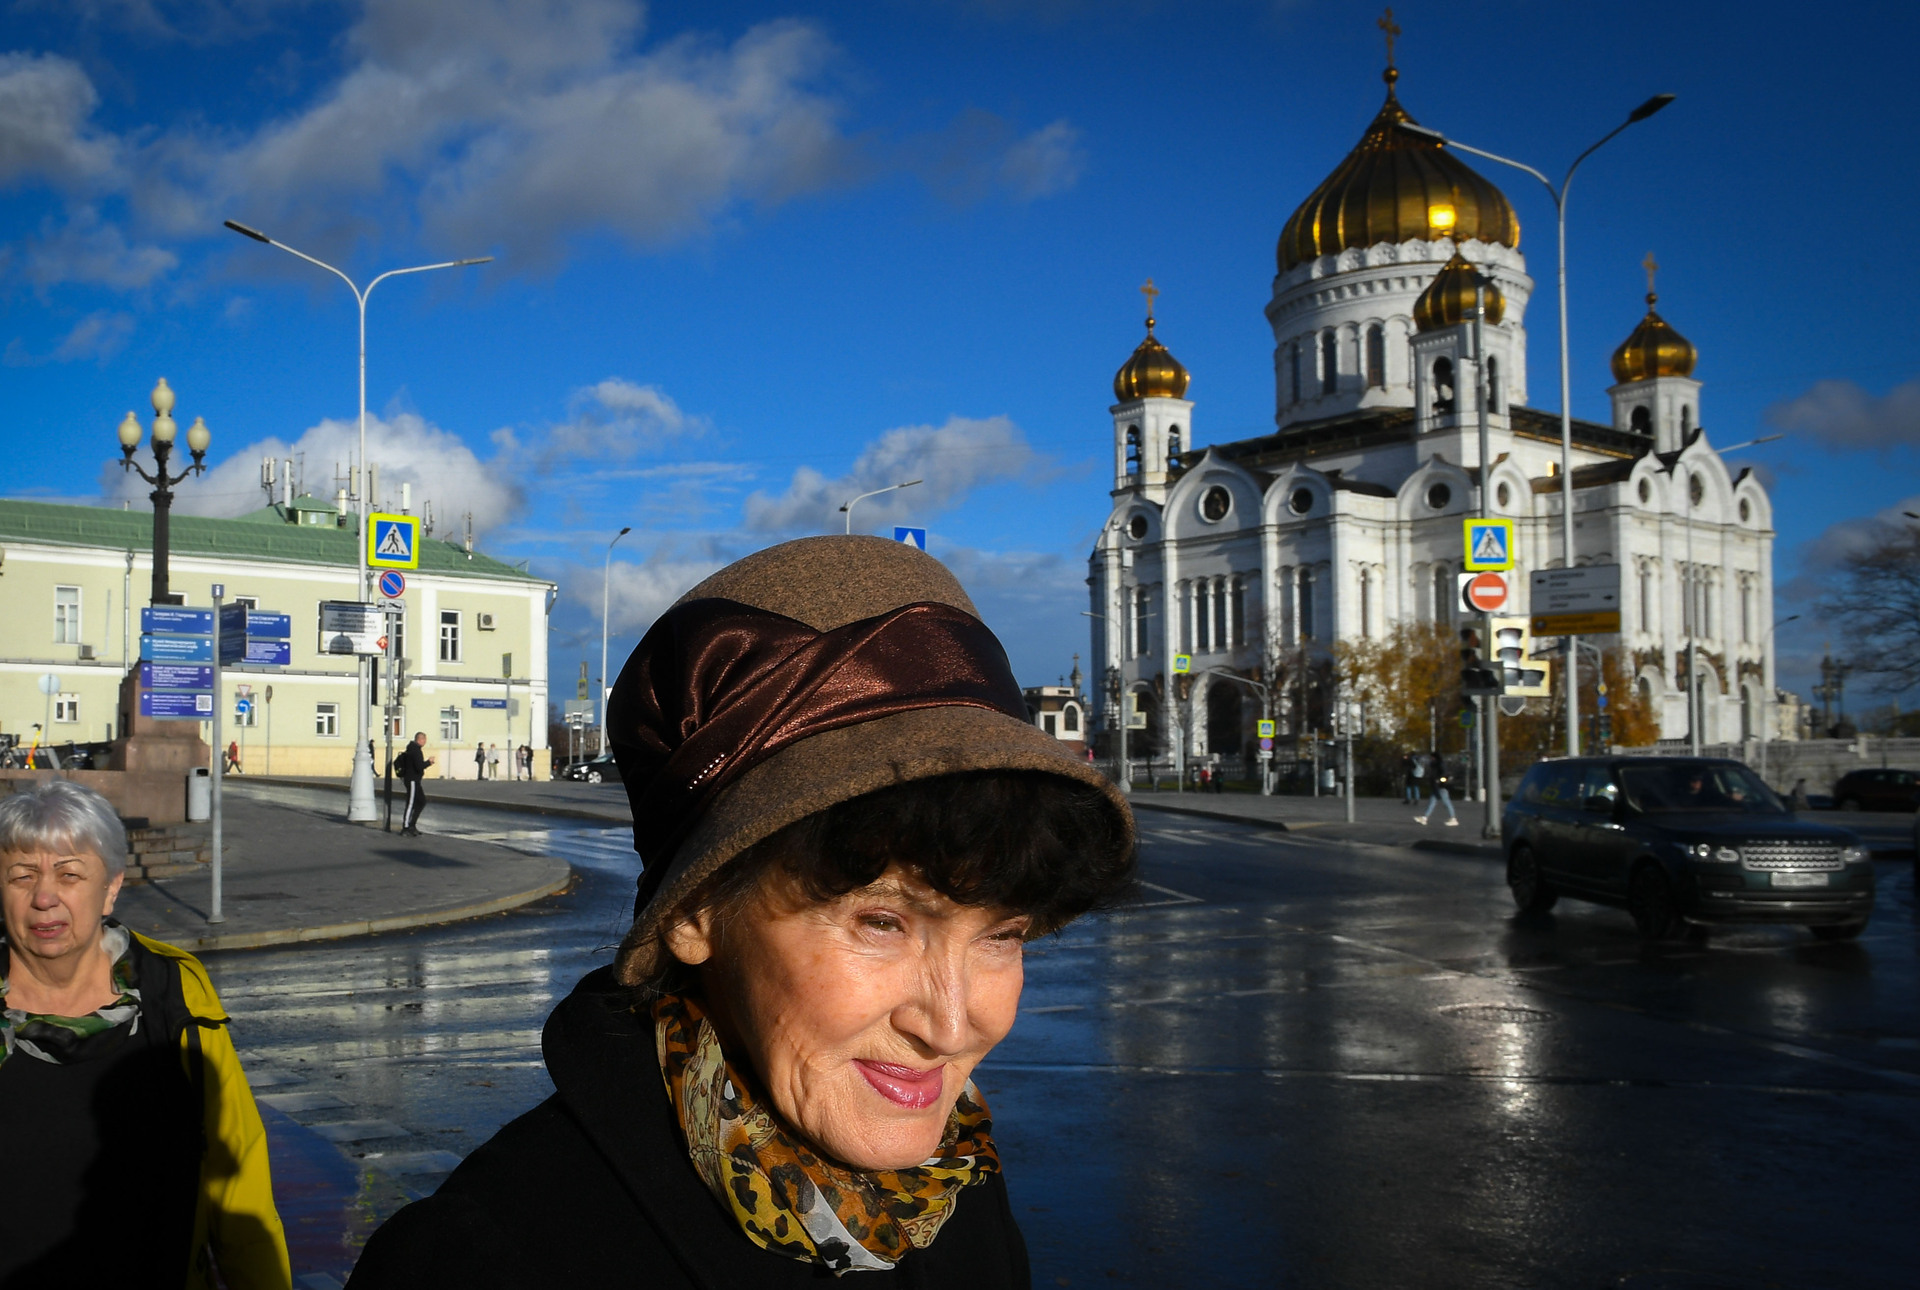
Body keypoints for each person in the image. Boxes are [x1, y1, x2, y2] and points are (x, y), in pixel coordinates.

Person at [347, 535, 1136, 1288]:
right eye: (882, 922)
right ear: (695, 911)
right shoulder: (487, 1262)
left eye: (1002, 935)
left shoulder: (949, 1194)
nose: (955, 1025)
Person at [0, 779, 290, 1289]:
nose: (44, 897)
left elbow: (239, 1180)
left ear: (111, 886)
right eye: (21, 876)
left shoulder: (173, 996)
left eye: (69, 875)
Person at [395, 732, 435, 836]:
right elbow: (419, 766)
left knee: (421, 801)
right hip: (412, 780)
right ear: (419, 740)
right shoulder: (415, 750)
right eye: (424, 740)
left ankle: (412, 825)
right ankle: (406, 827)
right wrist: (428, 762)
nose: (425, 742)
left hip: (415, 780)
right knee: (411, 803)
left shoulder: (413, 749)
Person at [1415, 751, 1457, 827]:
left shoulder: (1439, 765)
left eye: (1432, 757)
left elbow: (1444, 774)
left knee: (1446, 802)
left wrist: (1439, 780)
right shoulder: (1435, 765)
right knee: (1433, 802)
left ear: (1435, 758)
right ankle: (1425, 818)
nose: (1431, 759)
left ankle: (1453, 818)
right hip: (1436, 786)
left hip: (1441, 786)